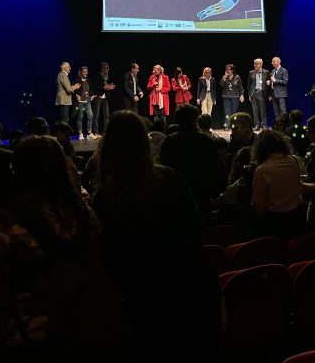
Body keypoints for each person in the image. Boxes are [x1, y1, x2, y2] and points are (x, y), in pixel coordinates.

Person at [0, 136, 128, 361]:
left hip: (28, 335)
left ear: (18, 169)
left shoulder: (5, 224)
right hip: (84, 325)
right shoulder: (83, 213)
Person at [93, 112, 220, 363]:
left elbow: (108, 256)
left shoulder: (104, 198)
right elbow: (195, 227)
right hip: (184, 293)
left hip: (141, 302)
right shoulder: (168, 179)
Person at [251, 130, 305, 239]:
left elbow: (258, 205)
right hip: (298, 216)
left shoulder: (262, 170)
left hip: (275, 222)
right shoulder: (293, 160)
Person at [92, 61, 116, 136]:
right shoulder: (97, 76)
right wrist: (104, 87)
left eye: (108, 68)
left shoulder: (108, 76)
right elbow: (95, 87)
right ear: (102, 69)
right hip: (98, 96)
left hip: (105, 96)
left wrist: (111, 87)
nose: (108, 69)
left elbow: (109, 84)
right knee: (96, 115)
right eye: (106, 68)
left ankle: (105, 132)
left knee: (106, 115)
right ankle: (96, 132)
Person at [247, 58, 272, 130]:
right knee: (255, 111)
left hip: (262, 93)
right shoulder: (251, 72)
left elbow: (269, 84)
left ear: (261, 64)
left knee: (262, 110)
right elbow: (248, 84)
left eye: (256, 64)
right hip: (254, 93)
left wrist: (270, 94)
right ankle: (257, 125)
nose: (254, 65)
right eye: (254, 64)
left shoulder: (266, 72)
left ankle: (264, 125)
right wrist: (249, 95)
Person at [72, 65, 95, 141]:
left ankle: (89, 133)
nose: (86, 73)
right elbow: (73, 90)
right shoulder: (76, 80)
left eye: (86, 72)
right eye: (84, 72)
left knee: (90, 116)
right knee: (80, 117)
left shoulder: (89, 80)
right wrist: (76, 95)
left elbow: (91, 89)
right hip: (80, 101)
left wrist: (92, 95)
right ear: (81, 72)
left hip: (87, 101)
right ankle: (80, 134)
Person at [220, 64, 244, 128]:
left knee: (234, 112)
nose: (227, 71)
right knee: (227, 112)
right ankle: (227, 125)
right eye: (226, 69)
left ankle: (234, 125)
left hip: (235, 97)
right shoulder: (224, 77)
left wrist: (242, 95)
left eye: (229, 69)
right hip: (226, 96)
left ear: (232, 70)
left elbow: (241, 87)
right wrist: (224, 78)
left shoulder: (237, 77)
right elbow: (221, 85)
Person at [55, 62, 80, 126]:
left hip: (63, 100)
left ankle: (60, 131)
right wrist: (75, 87)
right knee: (65, 120)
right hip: (64, 100)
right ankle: (62, 132)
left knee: (63, 119)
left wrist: (73, 86)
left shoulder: (61, 74)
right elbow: (68, 90)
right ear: (64, 68)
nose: (70, 68)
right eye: (68, 67)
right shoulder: (63, 75)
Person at [268, 56, 289, 121]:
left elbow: (285, 81)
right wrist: (270, 82)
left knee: (282, 110)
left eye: (273, 61)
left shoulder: (284, 70)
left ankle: (285, 123)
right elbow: (272, 81)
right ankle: (278, 124)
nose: (272, 63)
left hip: (281, 93)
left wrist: (275, 80)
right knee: (276, 110)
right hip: (274, 93)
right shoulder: (273, 70)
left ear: (278, 62)